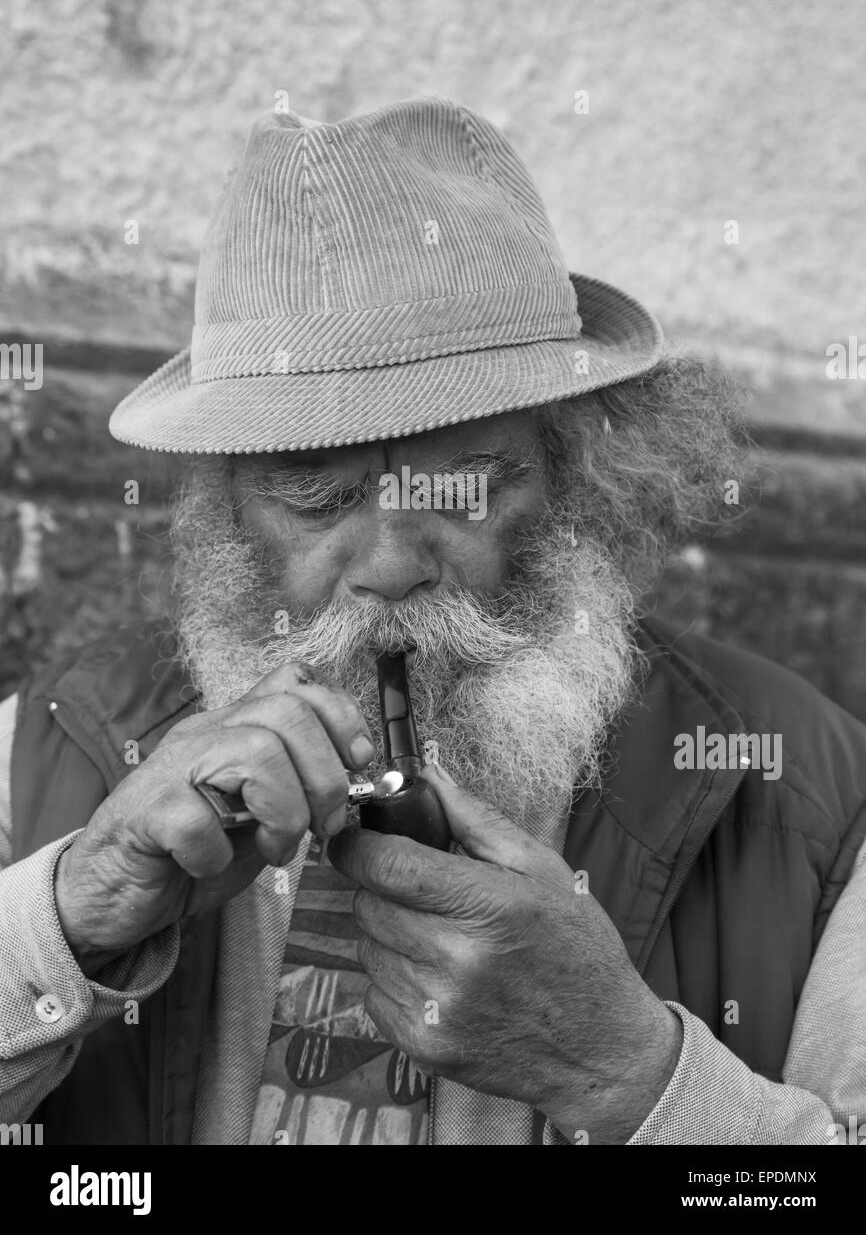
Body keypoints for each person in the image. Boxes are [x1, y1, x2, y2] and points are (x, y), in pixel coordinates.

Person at [1, 98, 864, 1146]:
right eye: (314, 496)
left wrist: (627, 1071)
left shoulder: (804, 795)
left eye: (465, 486)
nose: (390, 565)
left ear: (574, 478)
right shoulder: (49, 744)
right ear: (224, 513)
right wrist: (73, 917)